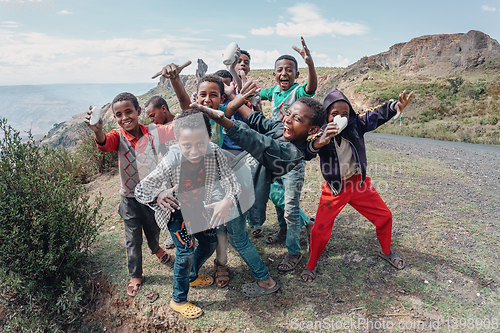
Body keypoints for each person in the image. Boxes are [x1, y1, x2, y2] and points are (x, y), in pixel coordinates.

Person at [153, 64, 280, 295]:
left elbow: (228, 106)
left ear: (221, 98)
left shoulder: (222, 115)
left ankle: (265, 280)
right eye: (203, 94)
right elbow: (185, 104)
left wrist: (237, 95)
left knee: (238, 239)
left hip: (229, 191)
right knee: (215, 237)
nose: (208, 99)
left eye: (214, 95)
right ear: (196, 96)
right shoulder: (196, 117)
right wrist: (175, 80)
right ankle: (202, 272)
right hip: (215, 191)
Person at [193, 80, 327, 273]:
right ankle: (246, 270)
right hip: (236, 185)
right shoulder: (282, 129)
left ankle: (265, 277)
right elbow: (257, 121)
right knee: (229, 231)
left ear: (312, 129)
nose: (288, 120)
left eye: (297, 118)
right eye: (288, 113)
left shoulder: (291, 152)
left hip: (243, 193)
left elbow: (258, 142)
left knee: (239, 238)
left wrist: (222, 118)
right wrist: (234, 98)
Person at [301, 88, 413, 282]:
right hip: (335, 188)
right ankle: (311, 265)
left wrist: (395, 107)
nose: (341, 117)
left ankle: (386, 252)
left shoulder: (356, 124)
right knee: (320, 229)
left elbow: (376, 115)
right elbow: (308, 149)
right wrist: (322, 140)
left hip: (358, 183)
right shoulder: (320, 132)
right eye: (335, 114)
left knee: (384, 216)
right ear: (326, 115)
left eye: (345, 113)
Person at [84, 92, 174, 297]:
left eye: (128, 112)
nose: (124, 117)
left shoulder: (152, 132)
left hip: (151, 196)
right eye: (118, 114)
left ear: (138, 111)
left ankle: (156, 248)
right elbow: (104, 144)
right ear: (115, 118)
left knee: (152, 227)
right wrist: (98, 132)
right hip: (129, 198)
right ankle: (136, 274)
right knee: (132, 238)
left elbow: (175, 130)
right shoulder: (118, 136)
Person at [144, 96, 178, 250]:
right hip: (168, 175)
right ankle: (174, 233)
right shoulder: (156, 129)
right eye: (149, 117)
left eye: (153, 115)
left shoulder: (179, 123)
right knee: (172, 206)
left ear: (163, 109)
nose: (151, 120)